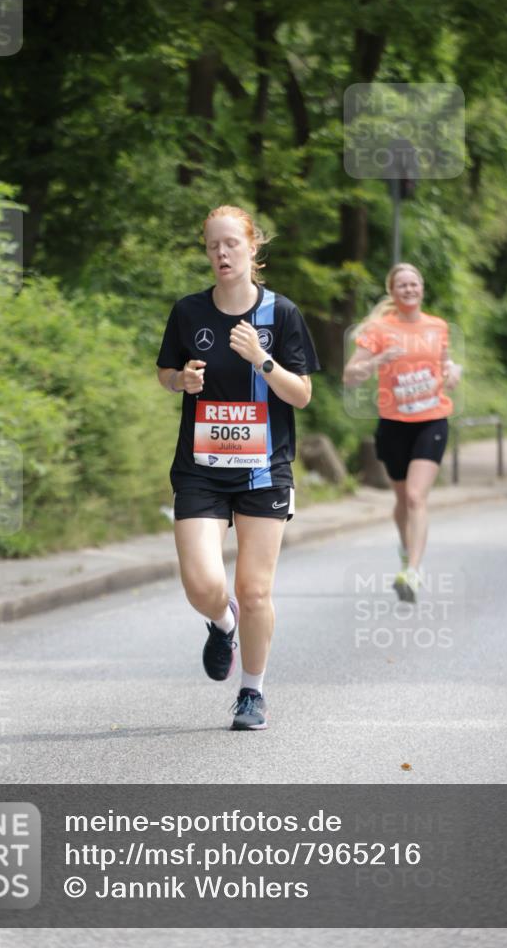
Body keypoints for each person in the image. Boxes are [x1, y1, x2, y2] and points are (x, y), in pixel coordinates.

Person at [156, 205, 319, 730]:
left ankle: (252, 693)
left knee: (254, 589)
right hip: (201, 468)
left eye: (231, 244)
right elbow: (165, 371)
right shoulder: (188, 312)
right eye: (212, 246)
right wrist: (182, 381)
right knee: (202, 584)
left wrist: (262, 360)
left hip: (264, 469)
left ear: (253, 248)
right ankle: (220, 623)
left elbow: (301, 394)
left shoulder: (281, 314)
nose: (221, 254)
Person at [343, 262, 462, 602]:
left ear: (422, 288)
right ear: (393, 292)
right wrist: (377, 362)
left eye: (414, 284)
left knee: (414, 496)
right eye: (402, 285)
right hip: (394, 424)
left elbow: (445, 366)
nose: (409, 289)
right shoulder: (379, 329)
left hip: (432, 420)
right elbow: (350, 375)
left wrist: (451, 373)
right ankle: (406, 549)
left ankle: (413, 569)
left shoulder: (438, 327)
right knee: (400, 498)